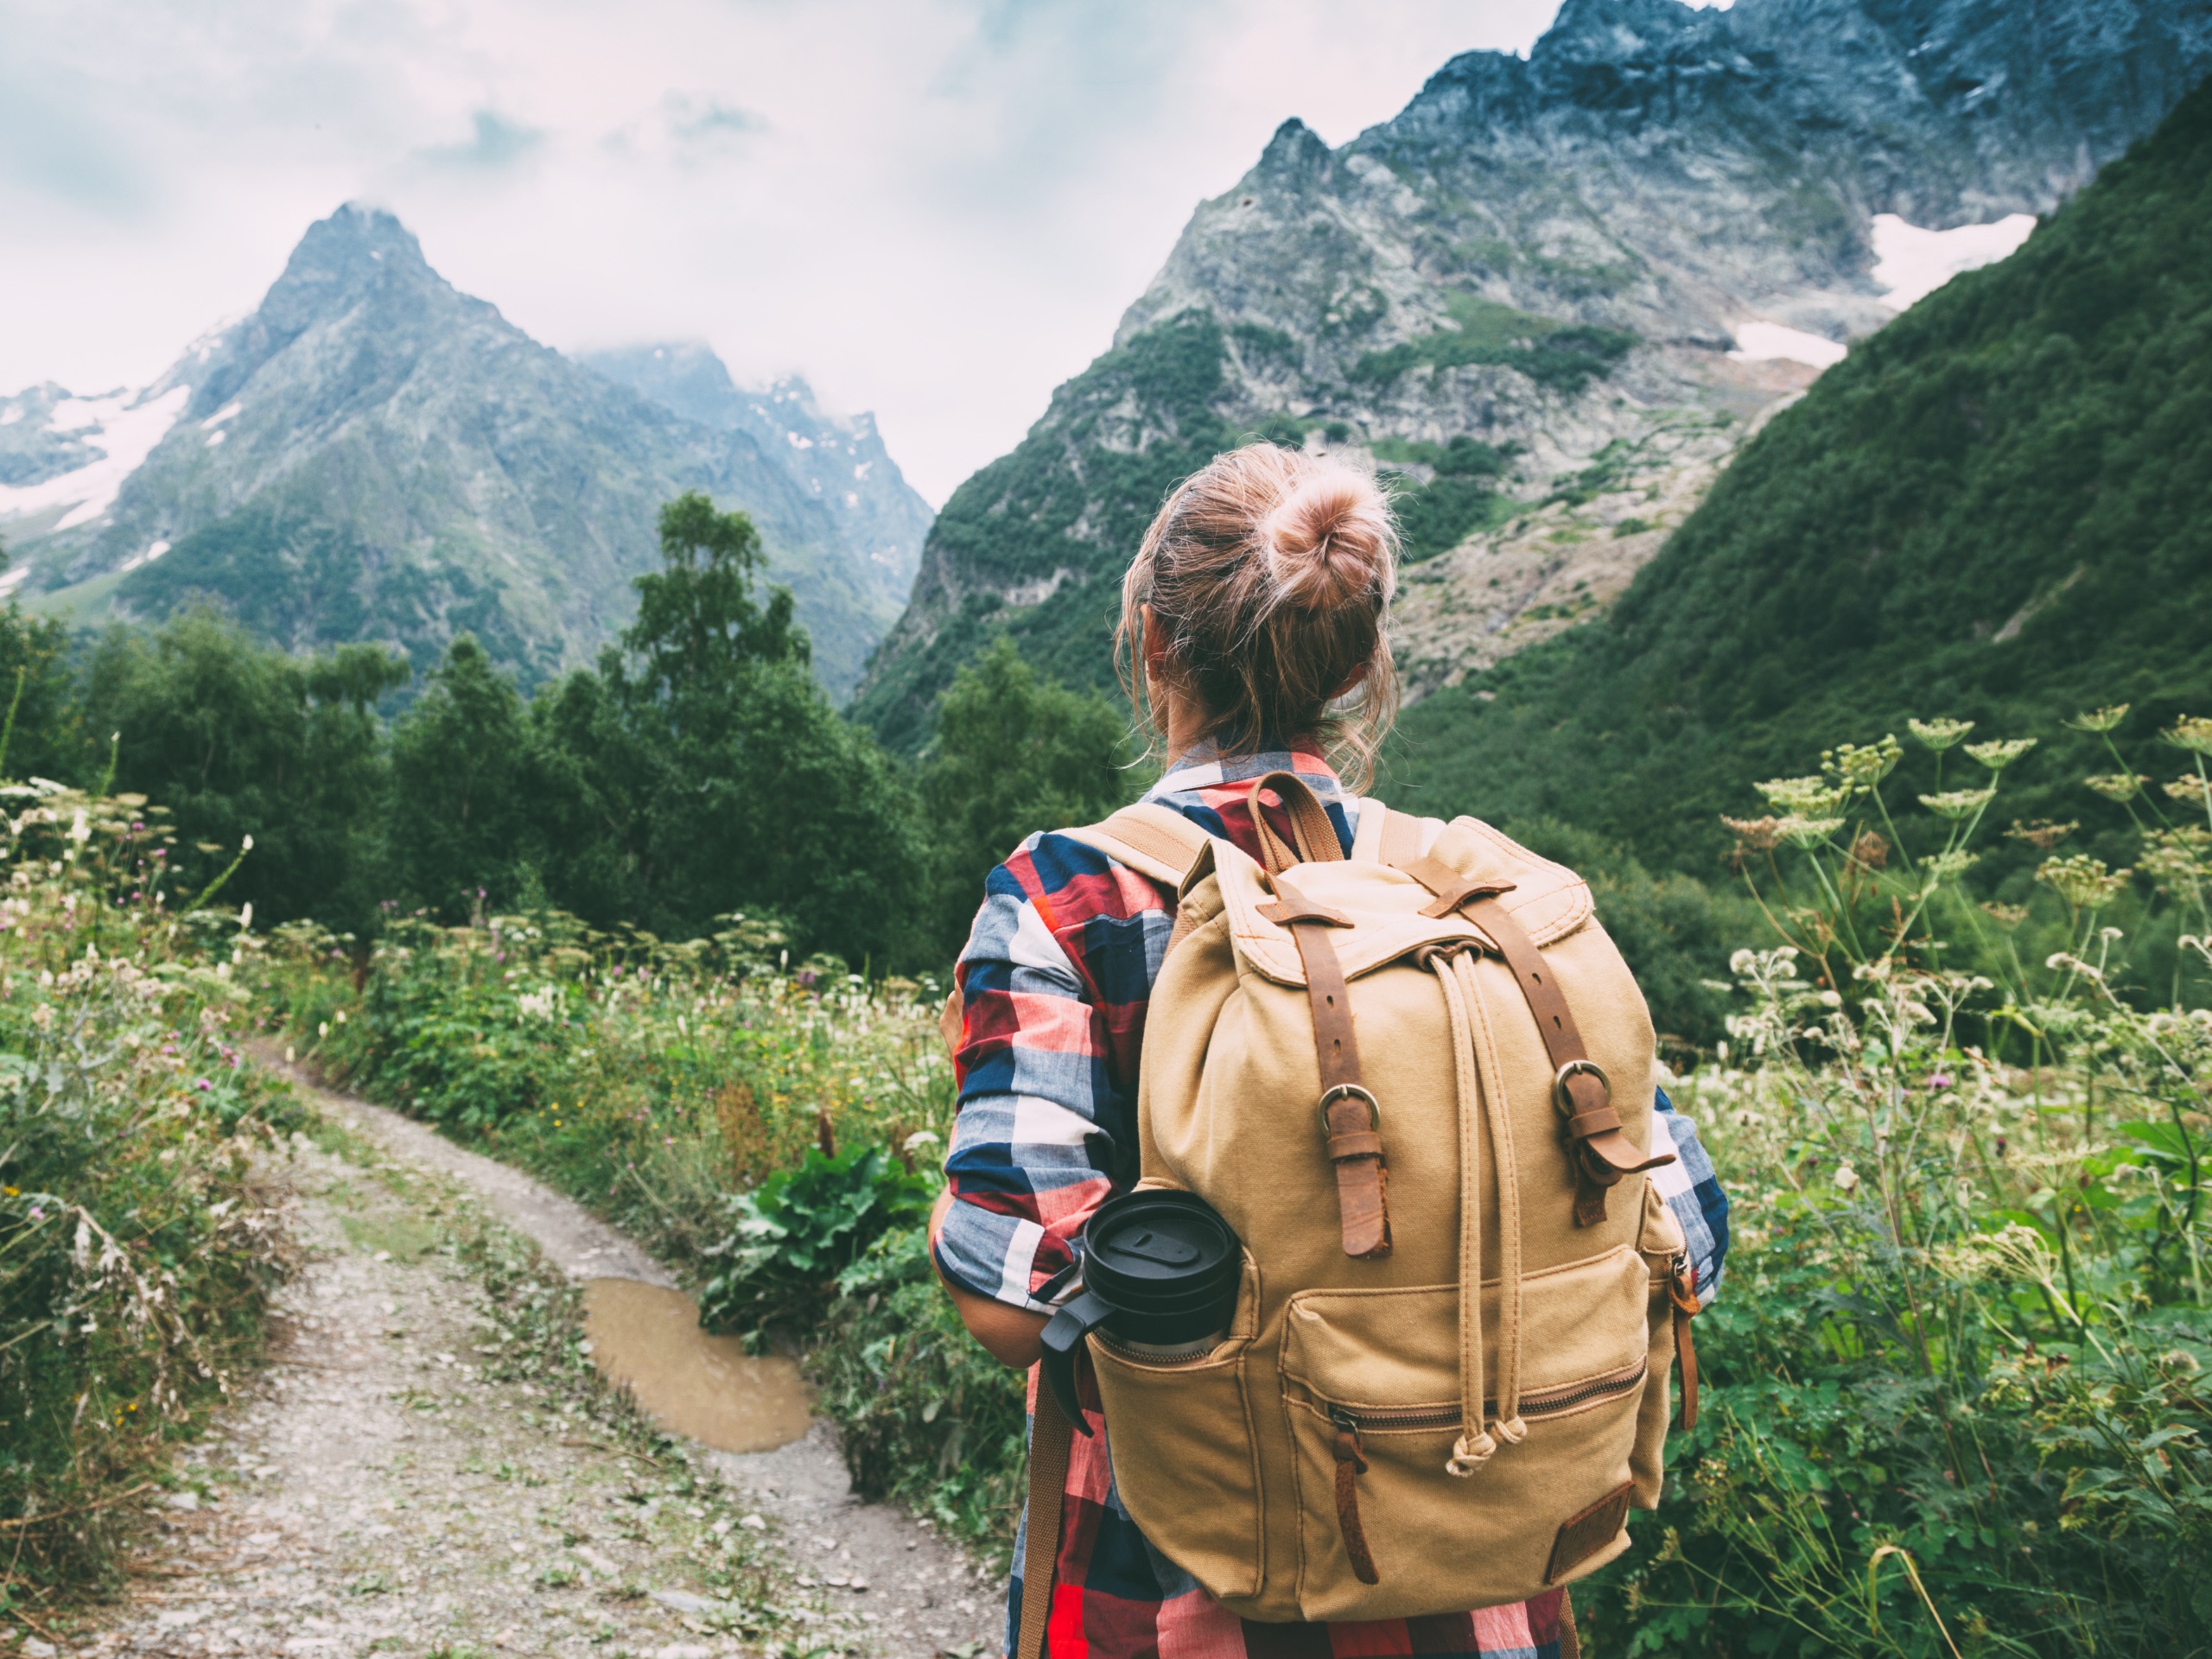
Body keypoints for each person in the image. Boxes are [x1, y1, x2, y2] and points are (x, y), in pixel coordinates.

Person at [930, 442, 1730, 1659]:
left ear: (1153, 643)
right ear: (1360, 664)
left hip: (1180, 1592)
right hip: (1491, 1593)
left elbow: (1002, 1294)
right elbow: (1690, 1240)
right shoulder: (1478, 901)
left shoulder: (1072, 898)